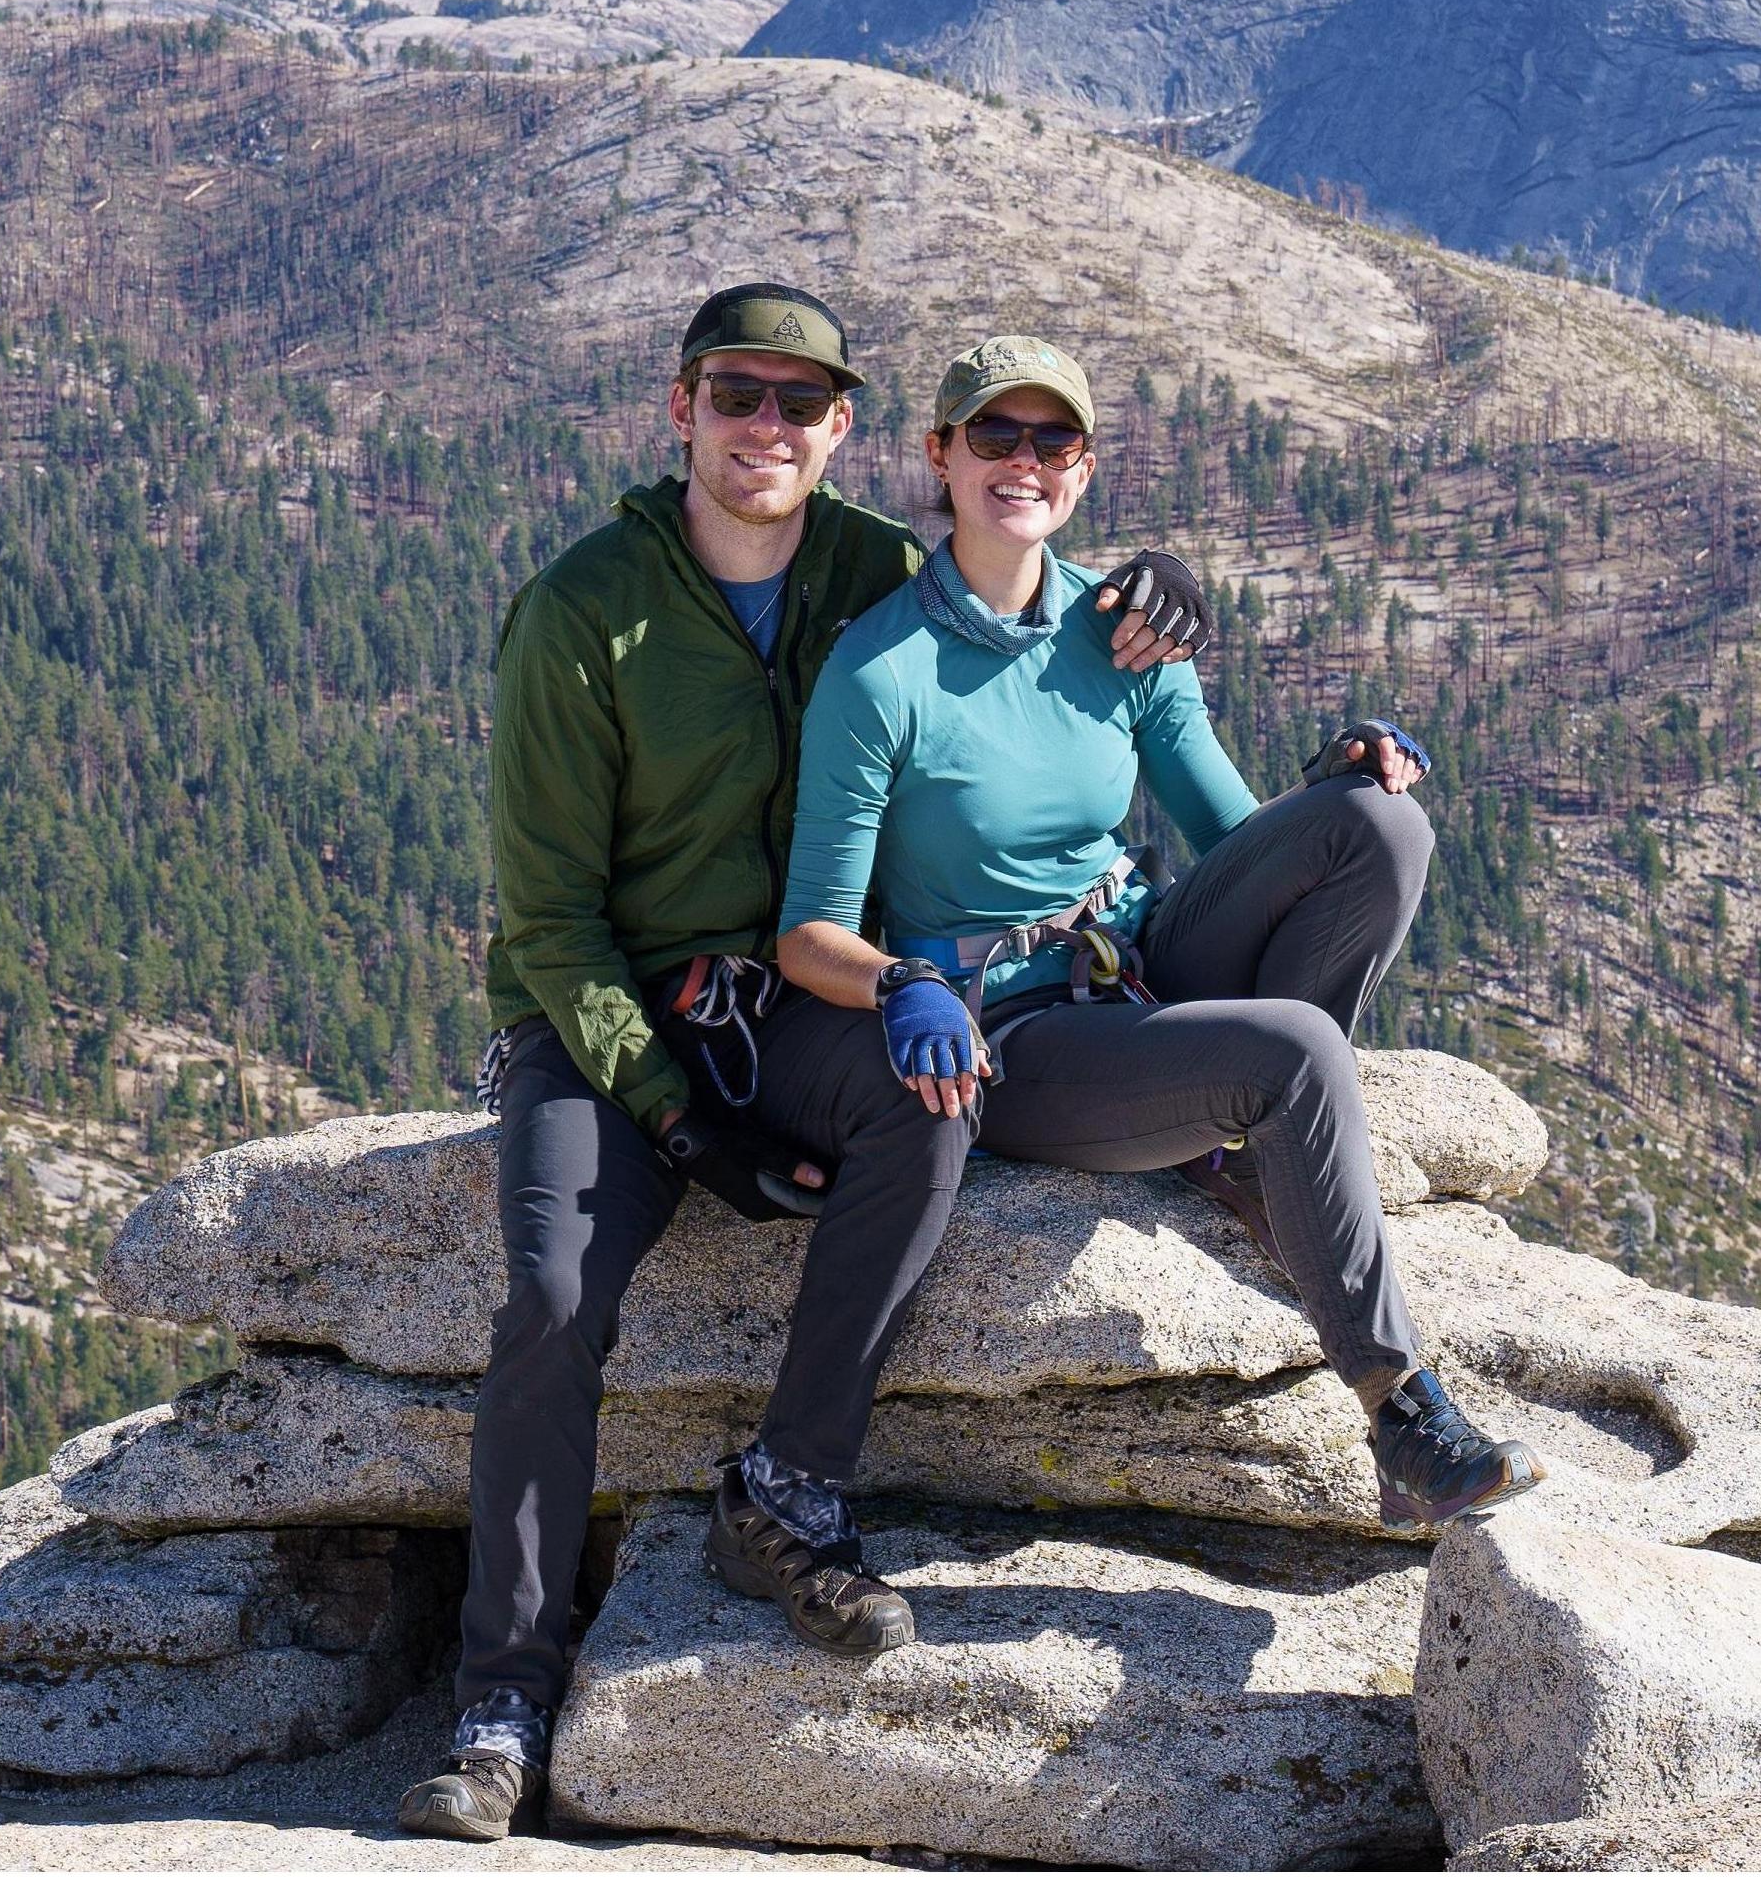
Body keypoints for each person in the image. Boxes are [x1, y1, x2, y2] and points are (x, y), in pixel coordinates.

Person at [398, 289, 1213, 1843]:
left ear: (842, 430)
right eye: (736, 394)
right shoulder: (583, 609)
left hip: (785, 1001)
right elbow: (555, 919)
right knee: (556, 1291)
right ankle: (501, 1695)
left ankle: (784, 1498)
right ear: (681, 408)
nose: (765, 425)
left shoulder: (864, 570)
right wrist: (669, 1115)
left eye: (798, 401)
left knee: (932, 1096)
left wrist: (1146, 595)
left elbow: (1016, 597)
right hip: (603, 1023)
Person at [775, 333, 1543, 1545]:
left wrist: (1340, 780)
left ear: (1082, 470)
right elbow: (807, 930)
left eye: (1052, 440)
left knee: (1377, 829)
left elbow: (1231, 832)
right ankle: (1397, 1406)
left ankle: (1257, 1151)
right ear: (939, 455)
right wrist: (901, 983)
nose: (1022, 462)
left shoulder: (1122, 630)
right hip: (1017, 1031)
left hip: (1139, 963)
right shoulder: (881, 674)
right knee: (1289, 1051)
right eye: (994, 435)